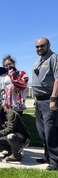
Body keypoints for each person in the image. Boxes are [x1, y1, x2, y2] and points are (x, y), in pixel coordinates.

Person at [31, 37, 58, 170]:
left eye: (42, 46)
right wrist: (36, 99)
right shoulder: (38, 62)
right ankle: (47, 156)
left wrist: (53, 99)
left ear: (48, 45)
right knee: (41, 132)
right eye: (37, 46)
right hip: (39, 101)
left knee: (50, 131)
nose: (39, 48)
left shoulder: (54, 58)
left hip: (49, 100)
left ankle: (55, 161)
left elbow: (57, 80)